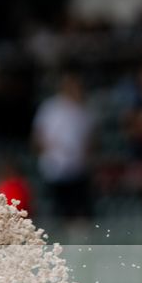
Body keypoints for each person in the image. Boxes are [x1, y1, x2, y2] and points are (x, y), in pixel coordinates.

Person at [32, 73, 94, 223]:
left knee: (81, 211)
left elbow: (89, 139)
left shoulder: (82, 110)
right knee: (61, 211)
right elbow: (39, 135)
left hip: (77, 167)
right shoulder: (51, 108)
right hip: (55, 167)